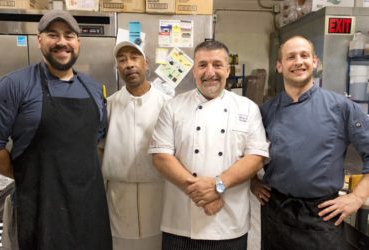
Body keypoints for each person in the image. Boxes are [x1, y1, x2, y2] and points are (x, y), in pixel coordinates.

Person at [0, 10, 112, 249]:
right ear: (39, 40)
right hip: (40, 208)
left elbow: (95, 141)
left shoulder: (93, 88)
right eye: (53, 34)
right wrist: (27, 175)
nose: (62, 42)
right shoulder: (14, 85)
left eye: (69, 35)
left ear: (78, 42)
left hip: (88, 208)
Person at [148, 40, 269, 249]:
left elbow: (256, 158)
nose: (209, 72)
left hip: (230, 223)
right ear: (194, 70)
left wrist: (218, 186)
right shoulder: (173, 107)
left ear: (228, 69)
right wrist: (204, 196)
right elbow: (161, 157)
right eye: (202, 65)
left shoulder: (247, 108)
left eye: (217, 64)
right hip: (181, 223)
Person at [251, 35, 369, 250]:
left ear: (315, 62)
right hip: (276, 213)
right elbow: (247, 153)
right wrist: (253, 182)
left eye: (304, 55)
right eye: (291, 57)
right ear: (279, 66)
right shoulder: (265, 111)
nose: (298, 62)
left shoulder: (341, 107)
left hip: (322, 215)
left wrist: (357, 198)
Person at [99, 39, 171, 249]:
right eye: (122, 60)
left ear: (146, 63)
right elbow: (100, 148)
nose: (129, 64)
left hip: (158, 191)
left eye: (134, 57)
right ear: (117, 68)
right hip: (118, 195)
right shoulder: (109, 104)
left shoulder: (166, 104)